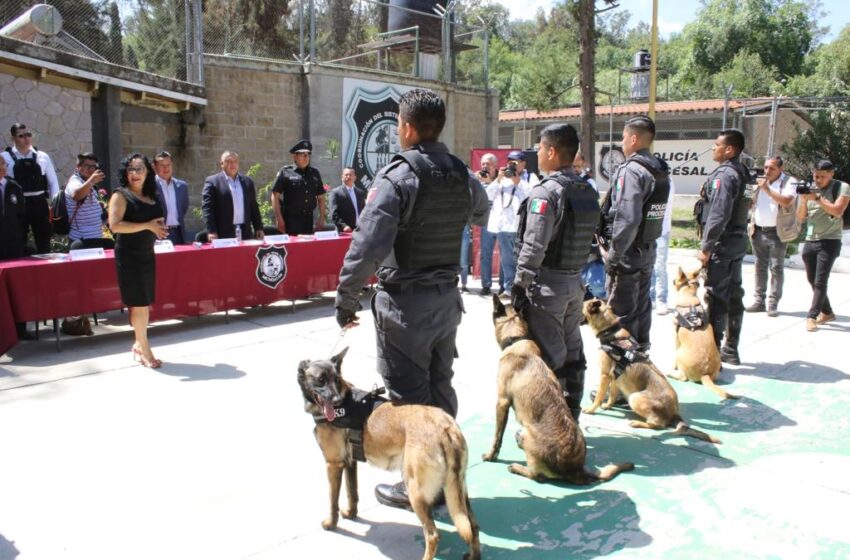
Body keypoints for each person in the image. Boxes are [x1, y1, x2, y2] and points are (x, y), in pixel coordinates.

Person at [334, 88, 489, 509]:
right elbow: (481, 211)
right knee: (440, 387)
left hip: (405, 306)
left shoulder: (398, 177)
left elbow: (366, 244)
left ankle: (421, 485)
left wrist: (346, 296)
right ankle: (447, 473)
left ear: (405, 128)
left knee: (409, 398)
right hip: (445, 301)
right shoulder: (461, 173)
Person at [511, 123, 600, 421]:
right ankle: (572, 417)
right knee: (573, 353)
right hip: (575, 283)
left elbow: (534, 245)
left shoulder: (546, 192)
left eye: (539, 148)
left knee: (548, 360)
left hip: (547, 287)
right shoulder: (586, 189)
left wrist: (520, 285)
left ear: (551, 151)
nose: (537, 153)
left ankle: (552, 426)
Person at [604, 115, 671, 354]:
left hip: (628, 253)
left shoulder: (632, 171)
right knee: (642, 308)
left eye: (623, 138)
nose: (621, 143)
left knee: (620, 314)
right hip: (647, 249)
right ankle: (640, 360)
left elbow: (628, 217)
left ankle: (620, 378)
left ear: (633, 139)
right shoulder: (659, 169)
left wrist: (614, 254)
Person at [108, 154, 168, 368]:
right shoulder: (120, 195)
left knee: (143, 304)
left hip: (147, 253)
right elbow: (115, 226)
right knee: (139, 304)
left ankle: (137, 342)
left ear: (147, 172)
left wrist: (158, 228)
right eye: (131, 169)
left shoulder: (151, 195)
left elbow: (156, 219)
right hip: (129, 255)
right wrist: (148, 226)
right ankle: (145, 350)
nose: (135, 174)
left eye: (139, 169)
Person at [697, 129, 751, 365]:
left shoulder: (725, 175)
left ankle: (715, 352)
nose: (713, 148)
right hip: (737, 240)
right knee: (733, 294)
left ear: (729, 149)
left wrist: (707, 247)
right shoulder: (743, 172)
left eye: (717, 145)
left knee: (717, 296)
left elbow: (718, 214)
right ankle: (731, 348)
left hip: (723, 242)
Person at [795, 159, 850, 332]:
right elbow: (801, 217)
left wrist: (817, 198)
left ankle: (812, 316)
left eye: (822, 177)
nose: (818, 180)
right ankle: (827, 312)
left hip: (830, 240)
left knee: (820, 280)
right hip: (811, 239)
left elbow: (837, 210)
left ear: (832, 174)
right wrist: (804, 200)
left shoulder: (841, 187)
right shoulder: (811, 188)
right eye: (816, 176)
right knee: (812, 279)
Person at [746, 156, 797, 317]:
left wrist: (767, 189)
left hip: (777, 232)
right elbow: (750, 202)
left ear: (780, 169)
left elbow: (787, 201)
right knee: (759, 267)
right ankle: (759, 301)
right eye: (766, 167)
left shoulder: (789, 182)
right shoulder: (760, 182)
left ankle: (772, 303)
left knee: (776, 267)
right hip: (758, 230)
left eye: (772, 168)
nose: (767, 171)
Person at [1, 123, 60, 253]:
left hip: (39, 203)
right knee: (17, 239)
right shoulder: (4, 157)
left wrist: (54, 206)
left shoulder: (42, 156)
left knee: (44, 239)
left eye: (28, 135)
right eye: (21, 136)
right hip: (16, 204)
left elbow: (53, 182)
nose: (26, 139)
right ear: (13, 139)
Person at [485, 151, 530, 294]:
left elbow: (532, 196)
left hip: (519, 227)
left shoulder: (530, 177)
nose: (511, 164)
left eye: (515, 162)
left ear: (523, 164)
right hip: (503, 225)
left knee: (519, 260)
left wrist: (518, 182)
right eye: (509, 161)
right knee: (506, 260)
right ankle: (509, 288)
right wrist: (497, 179)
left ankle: (520, 287)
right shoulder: (503, 179)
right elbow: (489, 195)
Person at [0, 157, 34, 340]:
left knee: (16, 289)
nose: (2, 168)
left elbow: (22, 217)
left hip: (14, 247)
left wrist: (21, 239)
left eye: (3, 164)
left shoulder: (14, 187)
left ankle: (20, 329)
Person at [201, 151, 264, 242]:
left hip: (245, 232)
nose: (232, 164)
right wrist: (211, 230)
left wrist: (258, 227)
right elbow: (207, 209)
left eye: (235, 161)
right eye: (229, 161)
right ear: (222, 164)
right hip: (223, 233)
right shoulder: (212, 182)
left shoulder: (247, 182)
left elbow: (253, 206)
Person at [271, 140, 326, 235]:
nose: (306, 157)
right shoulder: (286, 172)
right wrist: (279, 218)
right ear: (295, 156)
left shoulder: (314, 173)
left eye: (308, 155)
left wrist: (322, 217)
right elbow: (275, 196)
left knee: (307, 248)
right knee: (292, 248)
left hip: (308, 220)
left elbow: (321, 197)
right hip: (290, 220)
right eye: (303, 155)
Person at [66, 152, 113, 250]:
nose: (91, 169)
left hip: (95, 239)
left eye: (93, 166)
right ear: (78, 167)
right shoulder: (74, 181)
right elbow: (76, 195)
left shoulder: (89, 183)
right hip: (81, 241)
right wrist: (92, 181)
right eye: (87, 166)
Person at [153, 151, 190, 245]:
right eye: (162, 165)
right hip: (158, 234)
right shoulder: (149, 186)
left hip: (178, 233)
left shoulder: (182, 186)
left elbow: (183, 208)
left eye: (168, 165)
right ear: (155, 167)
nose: (166, 168)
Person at [651, 177, 676, 315]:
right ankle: (651, 297)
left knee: (659, 266)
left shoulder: (667, 181)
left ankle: (661, 299)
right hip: (648, 230)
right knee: (648, 265)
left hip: (661, 230)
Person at [478, 152, 500, 295]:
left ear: (495, 165)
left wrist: (491, 183)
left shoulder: (503, 178)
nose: (485, 166)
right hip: (487, 221)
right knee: (486, 253)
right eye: (483, 164)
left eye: (488, 163)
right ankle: (486, 284)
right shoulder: (478, 180)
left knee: (506, 254)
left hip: (502, 221)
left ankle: (505, 286)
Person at [328, 167, 365, 232]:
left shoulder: (360, 193)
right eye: (346, 175)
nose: (348, 176)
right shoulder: (336, 192)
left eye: (351, 175)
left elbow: (364, 211)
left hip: (359, 230)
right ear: (342, 177)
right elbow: (333, 214)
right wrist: (343, 226)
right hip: (344, 230)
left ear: (355, 177)